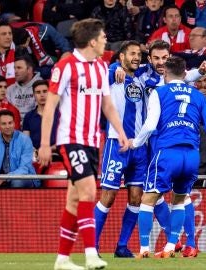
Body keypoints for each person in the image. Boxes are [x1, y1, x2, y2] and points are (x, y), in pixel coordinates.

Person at [38, 18, 128, 270]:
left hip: (91, 141)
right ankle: (90, 254)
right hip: (70, 140)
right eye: (102, 38)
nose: (105, 41)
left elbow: (107, 105)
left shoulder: (100, 67)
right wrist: (45, 143)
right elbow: (51, 106)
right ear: (92, 41)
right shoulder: (65, 65)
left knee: (74, 201)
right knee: (89, 192)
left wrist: (120, 131)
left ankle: (62, 260)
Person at [129, 56, 206, 258]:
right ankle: (171, 247)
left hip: (167, 152)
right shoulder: (198, 95)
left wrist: (135, 143)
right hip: (191, 155)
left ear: (165, 73)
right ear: (185, 74)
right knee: (180, 200)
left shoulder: (159, 92)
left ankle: (144, 249)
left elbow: (150, 124)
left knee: (148, 200)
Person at [95, 40, 145, 258]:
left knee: (136, 197)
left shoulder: (143, 78)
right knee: (109, 195)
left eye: (139, 54)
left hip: (140, 148)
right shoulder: (112, 74)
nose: (136, 57)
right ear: (121, 57)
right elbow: (98, 77)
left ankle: (122, 246)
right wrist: (113, 68)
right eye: (132, 53)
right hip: (117, 144)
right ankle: (92, 248)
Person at [0, 107, 40, 188]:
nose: (8, 126)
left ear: (14, 123)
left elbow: (24, 168)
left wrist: (5, 178)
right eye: (4, 124)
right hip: (1, 178)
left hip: (24, 177)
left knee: (17, 182)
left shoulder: (25, 140)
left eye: (10, 123)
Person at [23, 79, 58, 158]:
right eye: (38, 92)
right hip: (34, 156)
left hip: (56, 154)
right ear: (34, 95)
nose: (42, 95)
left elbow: (64, 140)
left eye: (45, 91)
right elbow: (26, 141)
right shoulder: (28, 117)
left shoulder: (60, 115)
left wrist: (47, 150)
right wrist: (35, 152)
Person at [6, 55, 42, 123]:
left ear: (29, 70)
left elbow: (40, 113)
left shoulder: (41, 87)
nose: (15, 71)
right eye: (14, 68)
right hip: (13, 127)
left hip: (33, 125)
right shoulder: (10, 90)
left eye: (19, 68)